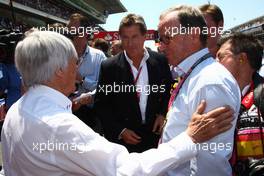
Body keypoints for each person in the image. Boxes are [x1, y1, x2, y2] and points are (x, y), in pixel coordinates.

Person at [1, 31, 234, 176]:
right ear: (60, 70)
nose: (78, 69)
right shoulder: (57, 126)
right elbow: (126, 170)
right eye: (75, 63)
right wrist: (190, 138)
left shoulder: (17, 109)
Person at [158, 5, 241, 176]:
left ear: (194, 35)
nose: (161, 46)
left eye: (167, 38)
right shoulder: (196, 74)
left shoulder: (209, 82)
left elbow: (211, 163)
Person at [94, 14, 172, 152]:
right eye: (125, 37)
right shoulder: (108, 66)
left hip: (154, 136)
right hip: (123, 141)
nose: (130, 43)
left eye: (135, 37)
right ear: (120, 38)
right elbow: (101, 105)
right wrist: (120, 130)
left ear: (144, 36)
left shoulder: (161, 61)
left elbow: (167, 91)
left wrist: (162, 113)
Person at [216, 33, 264, 175]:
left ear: (242, 58)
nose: (215, 63)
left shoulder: (261, 95)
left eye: (221, 57)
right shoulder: (218, 96)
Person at [67, 13, 106, 132]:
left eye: (74, 31)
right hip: (66, 113)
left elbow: (103, 88)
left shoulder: (99, 57)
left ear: (85, 33)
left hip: (91, 116)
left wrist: (82, 80)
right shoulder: (60, 56)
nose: (70, 35)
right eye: (69, 31)